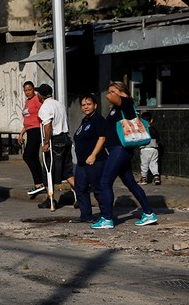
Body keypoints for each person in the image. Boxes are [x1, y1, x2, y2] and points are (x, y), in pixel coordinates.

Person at [93, 81, 156, 229]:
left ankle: (107, 218)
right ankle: (148, 213)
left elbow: (113, 98)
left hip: (119, 149)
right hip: (118, 150)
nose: (110, 94)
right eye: (109, 91)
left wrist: (112, 93)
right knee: (130, 183)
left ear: (122, 92)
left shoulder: (126, 103)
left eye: (113, 91)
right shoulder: (116, 109)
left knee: (105, 182)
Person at [72, 94, 107, 224]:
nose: (86, 107)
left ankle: (106, 215)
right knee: (80, 188)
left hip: (95, 161)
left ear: (95, 106)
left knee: (98, 189)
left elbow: (102, 138)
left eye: (89, 104)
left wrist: (93, 155)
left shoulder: (98, 120)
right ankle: (85, 215)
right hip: (82, 162)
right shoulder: (85, 120)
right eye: (83, 105)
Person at [36, 84, 72, 207]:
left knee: (48, 170)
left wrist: (46, 143)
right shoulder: (59, 104)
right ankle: (80, 194)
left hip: (55, 140)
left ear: (40, 96)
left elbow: (47, 125)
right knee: (68, 171)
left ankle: (50, 199)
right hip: (66, 138)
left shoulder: (45, 107)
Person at [17, 81, 45, 197]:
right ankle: (40, 182)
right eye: (26, 90)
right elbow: (28, 120)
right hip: (29, 130)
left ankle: (38, 184)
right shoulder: (27, 102)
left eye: (30, 89)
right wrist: (21, 133)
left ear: (34, 89)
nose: (28, 92)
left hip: (36, 130)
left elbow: (44, 112)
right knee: (33, 157)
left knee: (27, 156)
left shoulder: (37, 100)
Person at [137, 113, 161, 186]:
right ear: (151, 120)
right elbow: (158, 139)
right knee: (154, 163)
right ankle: (156, 177)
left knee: (144, 164)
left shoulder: (142, 130)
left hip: (145, 149)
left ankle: (144, 178)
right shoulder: (154, 130)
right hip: (154, 149)